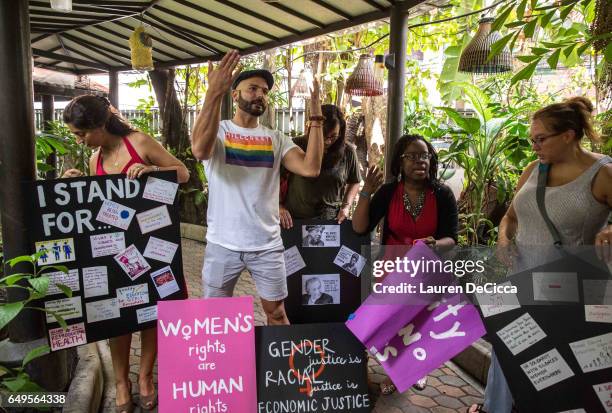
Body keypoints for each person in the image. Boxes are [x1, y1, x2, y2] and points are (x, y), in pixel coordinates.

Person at [469, 97, 612, 413]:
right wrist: (504, 239)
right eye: (532, 139)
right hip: (520, 281)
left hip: (567, 294)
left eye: (540, 138)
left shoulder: (602, 173)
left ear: (568, 135)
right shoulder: (534, 169)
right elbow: (510, 216)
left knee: (554, 370)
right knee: (509, 358)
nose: (534, 145)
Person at [62, 94, 190, 413]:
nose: (79, 140)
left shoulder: (139, 142)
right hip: (115, 252)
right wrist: (75, 186)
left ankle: (145, 376)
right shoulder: (94, 160)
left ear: (100, 124)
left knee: (151, 313)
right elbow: (100, 206)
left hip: (151, 246)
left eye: (81, 133)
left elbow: (184, 173)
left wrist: (151, 170)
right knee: (117, 319)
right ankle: (122, 381)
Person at [191, 50, 324, 326]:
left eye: (264, 91)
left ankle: (283, 369)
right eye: (252, 89)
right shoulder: (220, 131)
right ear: (235, 94)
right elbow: (200, 149)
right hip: (222, 245)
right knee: (216, 319)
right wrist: (213, 92)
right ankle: (222, 369)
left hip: (267, 246)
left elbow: (311, 168)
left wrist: (316, 117)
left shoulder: (276, 138)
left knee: (276, 313)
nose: (260, 95)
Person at [352, 134, 458, 395]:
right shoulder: (389, 192)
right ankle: (394, 370)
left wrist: (436, 244)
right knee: (393, 324)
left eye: (424, 155)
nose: (419, 161)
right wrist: (366, 191)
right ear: (400, 162)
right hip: (392, 267)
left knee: (419, 323)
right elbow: (359, 227)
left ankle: (415, 370)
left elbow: (452, 239)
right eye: (411, 156)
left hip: (425, 267)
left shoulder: (442, 193)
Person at [280, 104, 361, 227]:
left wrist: (346, 206)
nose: (328, 141)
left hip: (332, 221)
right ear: (313, 130)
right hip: (295, 220)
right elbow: (273, 179)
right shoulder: (296, 145)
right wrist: (279, 206)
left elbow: (355, 181)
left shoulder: (348, 152)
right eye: (323, 136)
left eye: (333, 136)